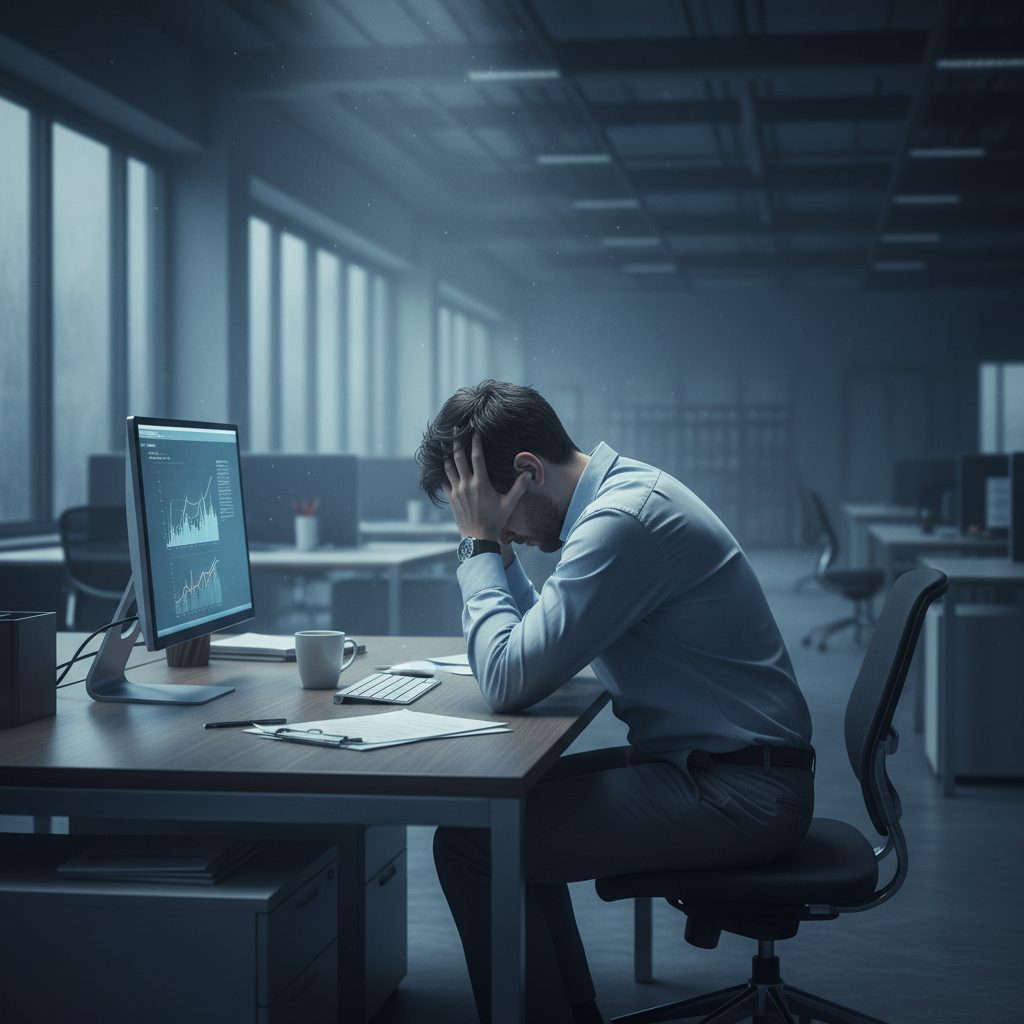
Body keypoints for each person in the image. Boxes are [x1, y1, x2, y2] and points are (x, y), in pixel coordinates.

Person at [416, 381, 814, 1024]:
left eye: (496, 512)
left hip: (743, 793)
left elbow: (507, 677)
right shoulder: (621, 498)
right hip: (720, 768)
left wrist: (479, 547)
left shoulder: (622, 523)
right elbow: (535, 643)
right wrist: (499, 542)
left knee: (472, 845)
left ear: (526, 472)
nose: (498, 528)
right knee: (502, 815)